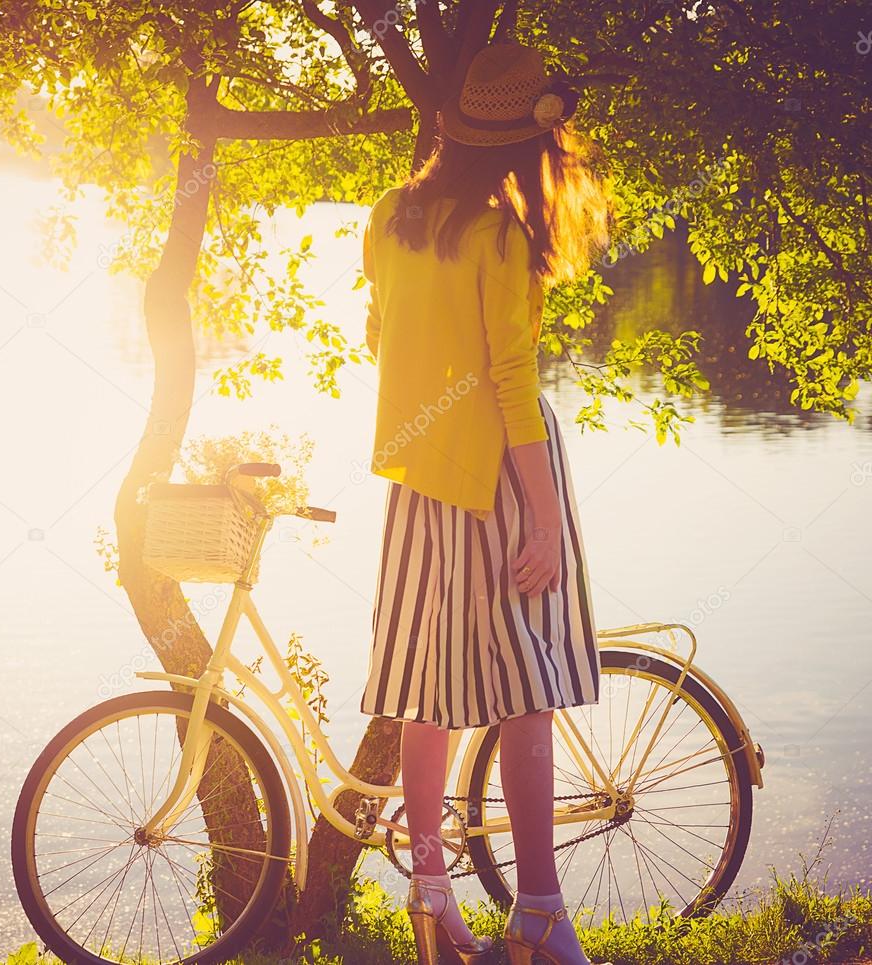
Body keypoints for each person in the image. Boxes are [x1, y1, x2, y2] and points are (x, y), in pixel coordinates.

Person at [358, 41, 611, 965]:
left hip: (418, 485)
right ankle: (538, 909)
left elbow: (380, 336)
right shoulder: (501, 237)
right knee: (528, 692)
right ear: (515, 147)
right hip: (498, 480)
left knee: (428, 694)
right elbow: (511, 383)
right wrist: (543, 519)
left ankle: (431, 897)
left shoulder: (388, 217)